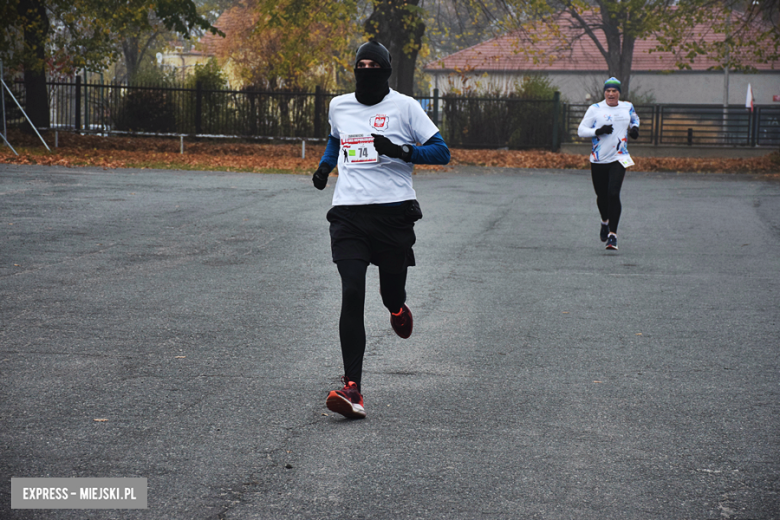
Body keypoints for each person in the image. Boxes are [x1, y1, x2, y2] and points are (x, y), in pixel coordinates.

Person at [312, 40, 450, 419]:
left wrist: (401, 151)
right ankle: (352, 388)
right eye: (362, 63)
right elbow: (336, 139)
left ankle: (397, 307)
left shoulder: (405, 107)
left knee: (390, 291)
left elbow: (442, 151)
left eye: (374, 64)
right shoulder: (339, 105)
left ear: (387, 69)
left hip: (393, 214)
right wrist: (325, 167)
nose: (367, 69)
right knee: (352, 289)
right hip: (349, 213)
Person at [577, 77, 640, 250]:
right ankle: (604, 221)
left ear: (619, 93)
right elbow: (581, 130)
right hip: (598, 159)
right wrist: (598, 130)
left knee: (613, 194)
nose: (611, 94)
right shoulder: (595, 109)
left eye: (614, 91)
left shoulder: (627, 106)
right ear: (604, 92)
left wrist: (635, 129)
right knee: (602, 196)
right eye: (608, 91)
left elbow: (635, 118)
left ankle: (613, 235)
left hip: (619, 157)